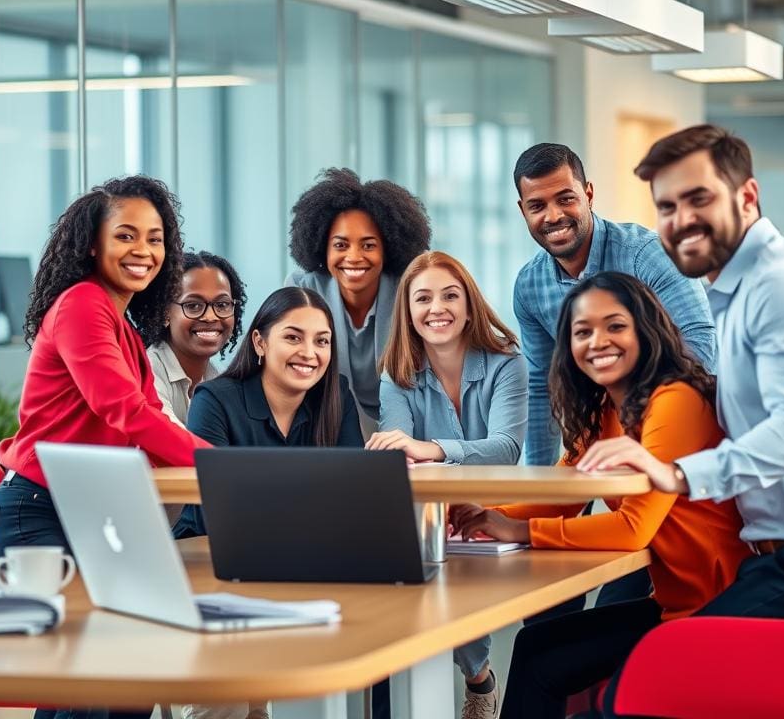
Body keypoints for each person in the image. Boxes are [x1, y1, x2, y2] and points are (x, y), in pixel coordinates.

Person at [584, 125, 784, 718]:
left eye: (698, 198)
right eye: (667, 207)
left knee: (646, 685)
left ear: (748, 197)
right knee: (625, 664)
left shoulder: (780, 288)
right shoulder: (736, 291)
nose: (681, 220)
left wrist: (675, 474)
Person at [450, 272, 749, 719]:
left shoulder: (677, 399)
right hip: (670, 605)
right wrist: (483, 517)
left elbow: (634, 530)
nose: (598, 341)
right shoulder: (605, 411)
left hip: (715, 611)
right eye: (582, 331)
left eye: (615, 326)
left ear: (645, 331)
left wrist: (518, 530)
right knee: (537, 649)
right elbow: (562, 496)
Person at [0, 175, 210, 719]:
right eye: (126, 235)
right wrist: (220, 466)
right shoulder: (82, 303)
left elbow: (151, 415)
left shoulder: (122, 325)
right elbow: (122, 410)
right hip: (36, 514)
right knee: (91, 685)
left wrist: (228, 466)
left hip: (88, 515)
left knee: (123, 684)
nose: (144, 251)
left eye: (155, 238)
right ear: (91, 244)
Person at [513, 142, 716, 606]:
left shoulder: (647, 255)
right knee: (545, 611)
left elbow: (702, 350)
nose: (554, 215)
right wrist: (535, 481)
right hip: (601, 447)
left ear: (588, 193)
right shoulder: (530, 283)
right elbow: (544, 389)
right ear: (522, 210)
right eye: (537, 205)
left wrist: (645, 428)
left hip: (667, 459)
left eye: (565, 198)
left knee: (615, 602)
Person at [367, 251, 528, 719]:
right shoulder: (396, 375)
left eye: (449, 295)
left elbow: (504, 450)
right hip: (429, 509)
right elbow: (400, 456)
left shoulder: (506, 364)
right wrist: (420, 457)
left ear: (469, 303)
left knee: (448, 583)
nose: (437, 308)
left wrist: (432, 448)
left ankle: (476, 677)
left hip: (494, 509)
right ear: (409, 311)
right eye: (423, 298)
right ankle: (479, 676)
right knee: (416, 578)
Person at [175, 286, 363, 538]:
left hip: (309, 546)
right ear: (260, 343)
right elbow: (214, 508)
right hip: (211, 549)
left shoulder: (336, 394)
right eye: (293, 338)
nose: (309, 353)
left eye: (322, 341)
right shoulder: (213, 400)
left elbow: (354, 495)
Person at [286, 168, 431, 437]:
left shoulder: (412, 289)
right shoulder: (304, 289)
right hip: (328, 428)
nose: (353, 257)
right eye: (341, 245)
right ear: (323, 247)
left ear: (387, 247)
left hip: (411, 427)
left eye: (368, 245)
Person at [148, 250, 246, 429]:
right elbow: (172, 440)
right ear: (165, 313)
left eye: (222, 305)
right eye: (193, 305)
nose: (210, 317)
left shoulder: (217, 379)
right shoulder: (147, 372)